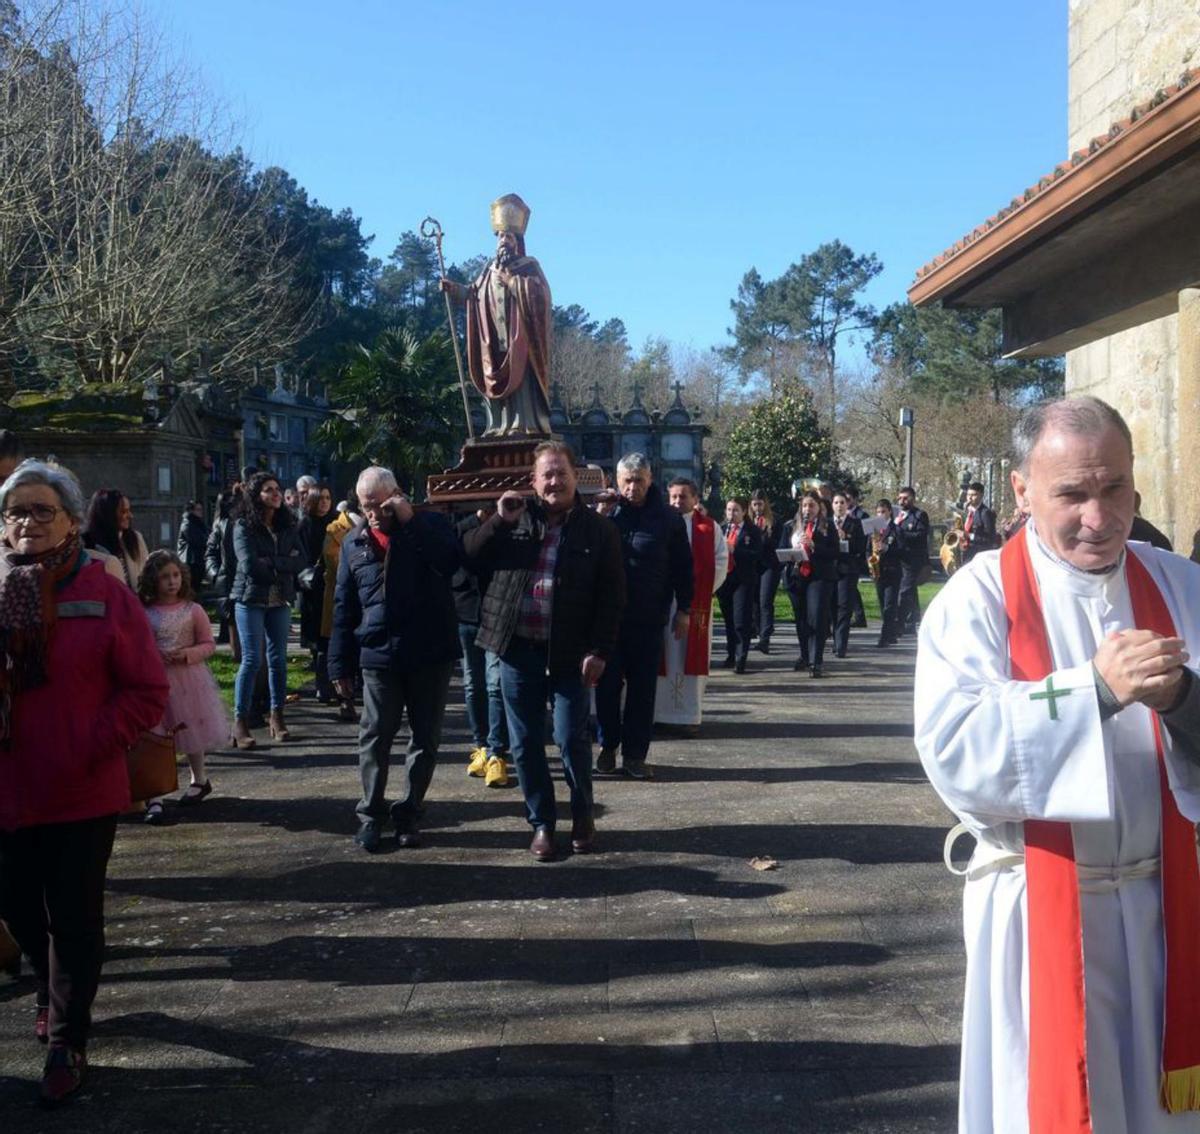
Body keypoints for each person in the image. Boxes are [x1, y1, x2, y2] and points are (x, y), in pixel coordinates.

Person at [914, 396, 1200, 1133]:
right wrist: (1093, 691)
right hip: (1035, 911)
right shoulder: (975, 601)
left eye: (1115, 491)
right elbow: (956, 752)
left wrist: (1185, 702)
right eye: (1072, 494)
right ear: (1021, 489)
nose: (1098, 518)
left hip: (1163, 904)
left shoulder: (1182, 586)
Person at [0, 460, 168, 1106]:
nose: (28, 523)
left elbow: (147, 689)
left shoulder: (106, 592)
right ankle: (47, 988)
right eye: (16, 511)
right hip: (9, 790)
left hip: (79, 790)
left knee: (72, 916)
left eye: (43, 510)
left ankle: (68, 1041)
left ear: (71, 521)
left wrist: (88, 746)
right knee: (16, 905)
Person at [462, 441, 625, 860]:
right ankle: (542, 824)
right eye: (546, 475)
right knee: (525, 743)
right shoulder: (514, 519)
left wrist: (600, 650)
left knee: (571, 738)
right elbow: (469, 557)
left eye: (561, 473)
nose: (554, 481)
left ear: (576, 477)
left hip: (572, 654)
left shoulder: (599, 530)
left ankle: (583, 813)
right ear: (534, 481)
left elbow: (612, 595)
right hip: (518, 649)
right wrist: (499, 519)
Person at [329, 467, 461, 853]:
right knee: (375, 737)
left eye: (380, 505)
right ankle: (371, 814)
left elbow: (450, 563)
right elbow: (344, 607)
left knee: (425, 738)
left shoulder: (430, 527)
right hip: (379, 653)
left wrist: (408, 521)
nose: (373, 514)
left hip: (429, 651)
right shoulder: (354, 543)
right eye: (365, 506)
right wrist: (339, 665)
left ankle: (410, 813)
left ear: (397, 496)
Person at [595, 453, 692, 780]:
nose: (632, 487)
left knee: (642, 691)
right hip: (608, 620)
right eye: (627, 481)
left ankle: (635, 755)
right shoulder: (606, 515)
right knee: (606, 688)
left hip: (649, 619)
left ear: (650, 480)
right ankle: (608, 745)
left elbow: (683, 567)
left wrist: (685, 609)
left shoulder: (668, 519)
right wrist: (599, 518)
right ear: (616, 481)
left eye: (639, 480)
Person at [440, 193, 553, 436]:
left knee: (521, 383)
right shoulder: (488, 270)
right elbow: (473, 294)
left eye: (509, 236)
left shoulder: (528, 266)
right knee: (493, 376)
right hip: (492, 340)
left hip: (520, 341)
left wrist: (513, 283)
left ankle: (524, 425)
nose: (504, 240)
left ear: (517, 241)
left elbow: (541, 296)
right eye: (501, 236)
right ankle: (498, 426)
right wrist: (454, 289)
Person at [138, 550, 228, 810]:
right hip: (155, 681)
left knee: (191, 731)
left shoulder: (193, 610)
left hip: (189, 680)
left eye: (176, 575)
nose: (171, 581)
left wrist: (187, 654)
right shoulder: (145, 612)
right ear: (153, 580)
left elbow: (208, 644)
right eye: (165, 576)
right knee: (155, 733)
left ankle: (199, 779)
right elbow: (139, 645)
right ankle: (155, 791)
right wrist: (154, 655)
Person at [229, 472, 304, 747]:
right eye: (268, 490)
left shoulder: (287, 525)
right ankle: (240, 721)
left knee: (279, 660)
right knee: (251, 660)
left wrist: (272, 562)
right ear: (255, 496)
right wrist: (283, 564)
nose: (275, 493)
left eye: (277, 489)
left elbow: (302, 560)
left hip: (279, 600)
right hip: (250, 599)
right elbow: (249, 565)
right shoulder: (243, 526)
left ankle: (277, 715)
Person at [654, 477, 728, 730]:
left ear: (695, 499)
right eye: (673, 496)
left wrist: (699, 592)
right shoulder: (659, 523)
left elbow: (721, 562)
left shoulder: (709, 528)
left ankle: (687, 718)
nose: (677, 501)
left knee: (690, 658)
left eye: (683, 496)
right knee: (660, 655)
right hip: (663, 602)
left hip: (695, 605)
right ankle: (660, 714)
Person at [452, 508, 510, 787]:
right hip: (466, 610)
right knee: (473, 683)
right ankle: (482, 746)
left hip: (497, 612)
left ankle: (497, 751)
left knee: (495, 683)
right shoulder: (460, 525)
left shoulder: (510, 522)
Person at [780, 490, 839, 677]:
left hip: (819, 577)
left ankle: (816, 661)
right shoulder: (791, 526)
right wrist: (791, 553)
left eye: (811, 505)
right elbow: (781, 549)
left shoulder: (827, 526)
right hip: (797, 576)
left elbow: (834, 552)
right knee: (802, 619)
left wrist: (814, 545)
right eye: (804, 505)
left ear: (819, 508)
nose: (807, 509)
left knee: (816, 618)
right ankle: (804, 655)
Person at [321, 498, 362, 722]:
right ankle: (344, 699)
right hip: (342, 595)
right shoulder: (335, 529)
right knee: (340, 647)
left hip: (365, 598)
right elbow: (333, 561)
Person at [717, 498, 762, 674]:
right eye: (728, 510)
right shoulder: (721, 529)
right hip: (725, 578)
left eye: (735, 510)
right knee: (728, 619)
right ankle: (730, 653)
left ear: (744, 512)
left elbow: (757, 554)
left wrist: (735, 549)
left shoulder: (753, 531)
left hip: (743, 579)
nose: (731, 514)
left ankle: (741, 657)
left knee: (740, 619)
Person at [297, 483, 334, 692]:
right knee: (317, 638)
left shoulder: (335, 522)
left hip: (332, 583)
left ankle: (331, 682)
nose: (325, 503)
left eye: (328, 498)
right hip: (312, 587)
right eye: (320, 499)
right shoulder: (304, 525)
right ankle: (322, 684)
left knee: (330, 635)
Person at [80, 488, 149, 588]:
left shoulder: (136, 539)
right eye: (123, 512)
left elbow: (147, 574)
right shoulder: (87, 543)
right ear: (108, 514)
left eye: (129, 510)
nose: (130, 516)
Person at [829, 492, 866, 659]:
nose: (839, 505)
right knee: (832, 607)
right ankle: (835, 640)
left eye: (842, 502)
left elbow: (860, 547)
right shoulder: (827, 523)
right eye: (836, 502)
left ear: (847, 505)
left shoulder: (855, 523)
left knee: (844, 607)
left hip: (848, 570)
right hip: (830, 570)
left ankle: (841, 645)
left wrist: (847, 538)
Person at [893, 486, 929, 636]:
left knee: (905, 591)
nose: (902, 501)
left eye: (905, 498)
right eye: (900, 498)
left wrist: (900, 532)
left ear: (913, 499)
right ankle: (912, 620)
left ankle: (899, 624)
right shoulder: (896, 515)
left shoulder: (919, 515)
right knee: (910, 592)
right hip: (897, 558)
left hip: (912, 559)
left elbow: (921, 536)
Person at [748, 490, 781, 653]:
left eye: (760, 504)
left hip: (770, 564)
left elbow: (778, 543)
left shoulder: (774, 521)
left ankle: (765, 638)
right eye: (754, 504)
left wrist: (764, 537)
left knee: (765, 601)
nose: (757, 508)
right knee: (755, 601)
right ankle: (759, 630)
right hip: (754, 565)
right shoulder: (749, 521)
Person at [205, 491, 237, 644]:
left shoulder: (243, 521)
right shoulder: (220, 524)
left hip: (240, 575)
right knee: (228, 616)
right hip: (225, 576)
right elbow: (211, 551)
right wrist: (215, 573)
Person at [871, 499, 903, 647]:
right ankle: (891, 633)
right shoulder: (873, 530)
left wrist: (886, 549)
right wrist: (869, 559)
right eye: (878, 512)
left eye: (883, 512)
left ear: (890, 511)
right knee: (883, 604)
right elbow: (866, 549)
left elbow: (903, 551)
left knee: (889, 605)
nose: (880, 515)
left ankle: (884, 637)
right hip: (878, 571)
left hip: (892, 571)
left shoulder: (896, 529)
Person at [960, 482, 998, 564]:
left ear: (981, 495)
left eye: (973, 495)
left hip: (979, 555)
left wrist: (969, 535)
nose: (969, 498)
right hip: (966, 553)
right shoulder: (967, 511)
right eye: (968, 495)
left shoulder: (985, 513)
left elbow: (990, 538)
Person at [175, 500, 207, 588]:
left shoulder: (197, 523)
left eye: (201, 509)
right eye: (198, 509)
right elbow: (198, 540)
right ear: (191, 511)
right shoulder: (188, 523)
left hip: (196, 561)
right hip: (190, 562)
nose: (201, 512)